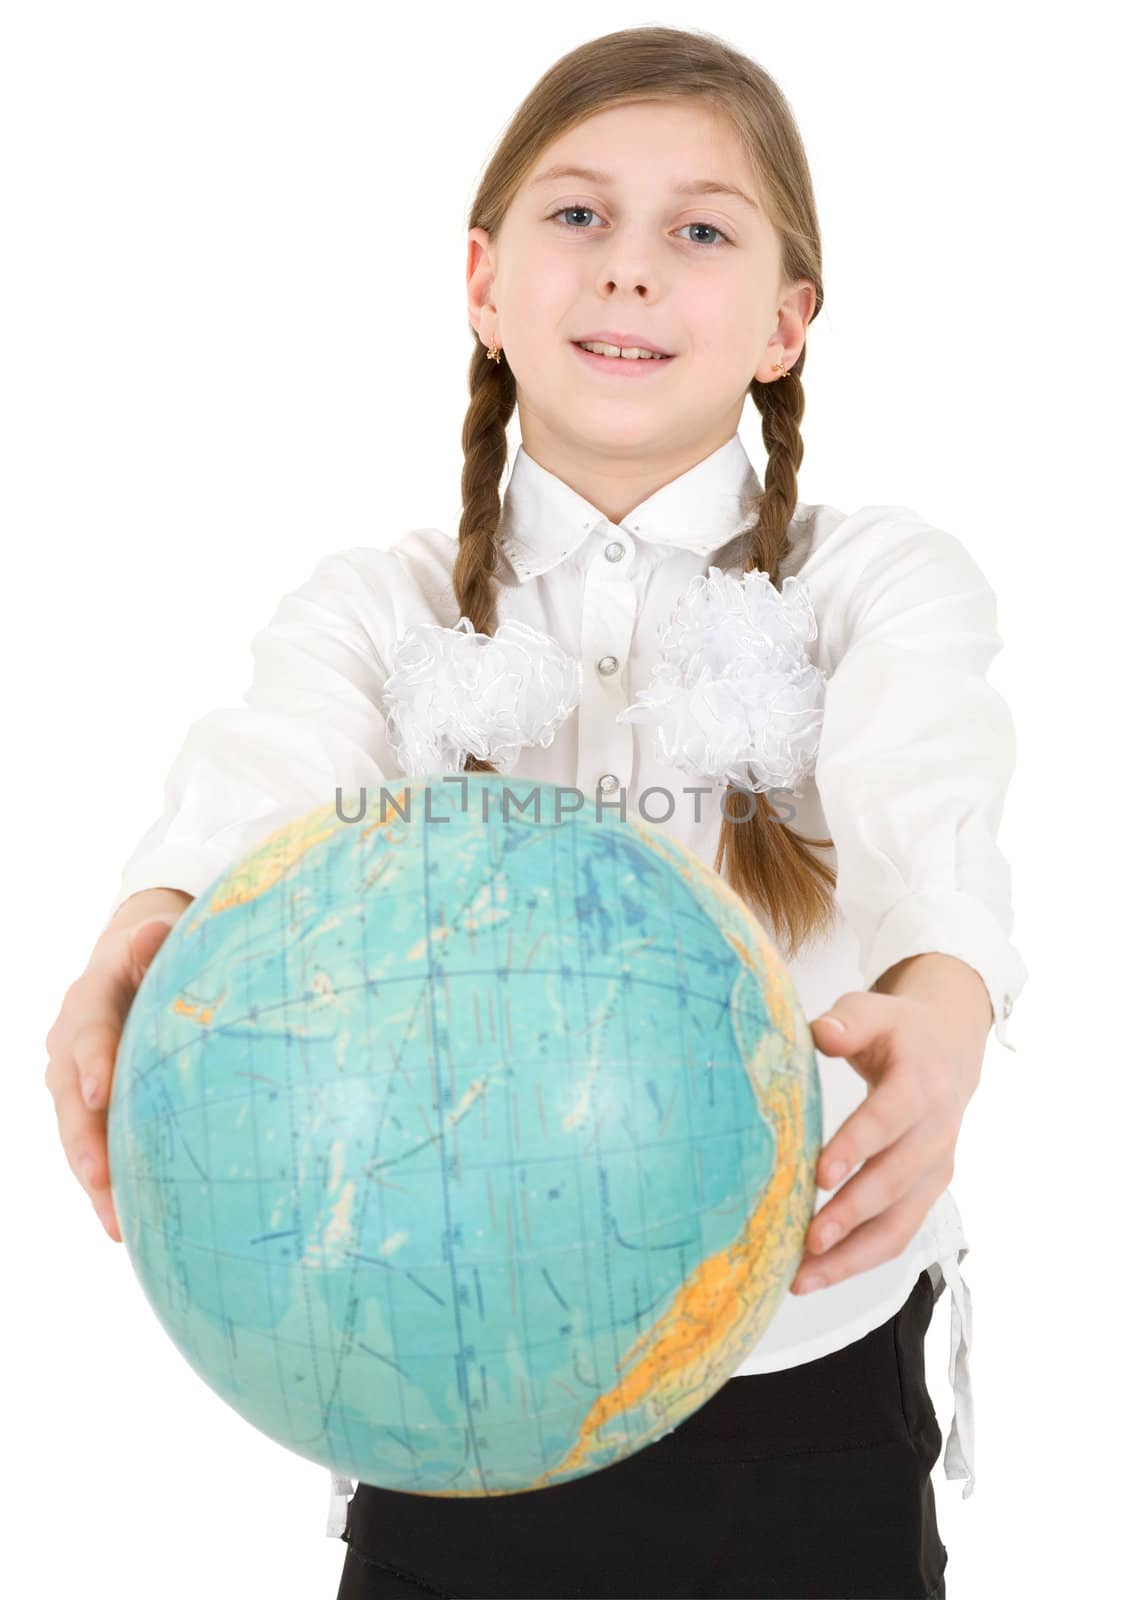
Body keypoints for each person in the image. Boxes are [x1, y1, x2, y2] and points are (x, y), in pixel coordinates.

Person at [43, 24, 1026, 1600]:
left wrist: (949, 998)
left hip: (810, 1407)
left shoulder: (873, 587)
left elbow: (932, 799)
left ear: (787, 323)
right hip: (445, 1395)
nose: (630, 268)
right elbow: (258, 781)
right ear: (484, 284)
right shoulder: (380, 610)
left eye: (699, 229)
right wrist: (149, 926)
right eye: (578, 215)